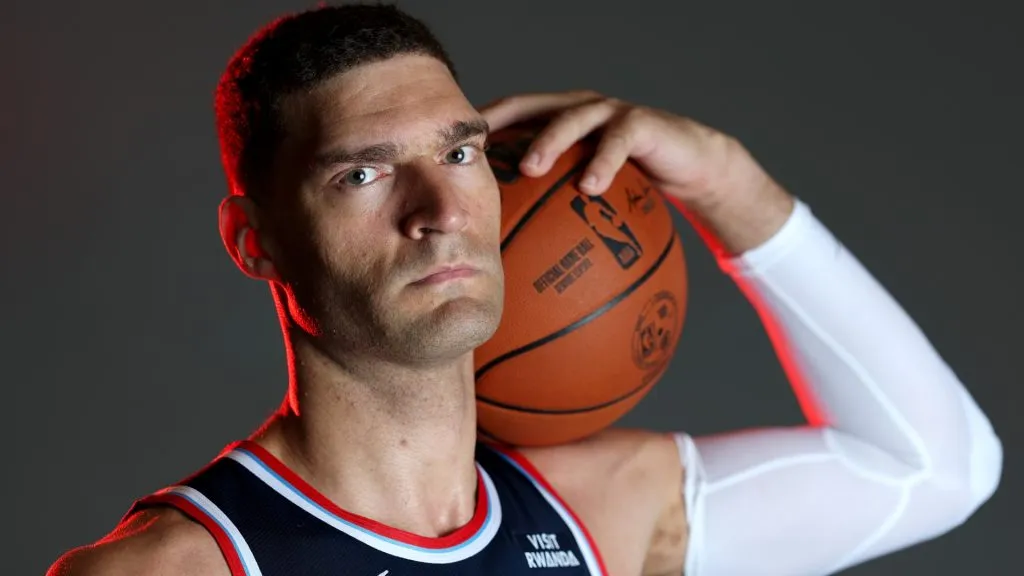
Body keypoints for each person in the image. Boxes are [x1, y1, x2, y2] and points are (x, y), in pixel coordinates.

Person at [47, 4, 1003, 576]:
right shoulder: (177, 568)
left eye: (460, 151)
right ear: (255, 243)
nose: (441, 208)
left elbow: (938, 469)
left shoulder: (593, 521)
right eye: (364, 174)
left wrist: (727, 183)